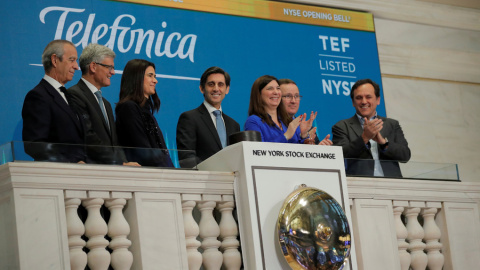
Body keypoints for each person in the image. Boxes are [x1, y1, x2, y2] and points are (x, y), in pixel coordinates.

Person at [68, 43, 139, 166]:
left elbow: (114, 143)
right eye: (109, 67)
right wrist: (119, 163)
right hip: (91, 171)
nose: (113, 72)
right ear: (93, 67)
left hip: (111, 171)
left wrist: (124, 163)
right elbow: (88, 136)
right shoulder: (74, 95)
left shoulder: (106, 104)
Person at [332, 78, 411, 177]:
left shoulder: (392, 124)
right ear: (353, 102)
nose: (364, 101)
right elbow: (340, 155)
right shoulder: (342, 126)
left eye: (368, 97)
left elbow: (405, 156)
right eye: (359, 98)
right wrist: (364, 138)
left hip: (392, 184)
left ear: (378, 100)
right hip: (359, 184)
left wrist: (383, 143)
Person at [22, 40, 85, 163]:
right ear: (55, 60)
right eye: (72, 60)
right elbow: (35, 145)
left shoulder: (70, 97)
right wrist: (71, 161)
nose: (77, 67)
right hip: (57, 176)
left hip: (81, 174)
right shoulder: (38, 96)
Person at [176, 66, 240, 167]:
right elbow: (187, 158)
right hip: (203, 180)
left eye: (221, 84)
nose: (216, 89)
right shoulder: (189, 118)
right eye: (211, 84)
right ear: (202, 88)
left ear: (227, 89)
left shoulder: (234, 125)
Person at [115, 59, 173, 167]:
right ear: (137, 78)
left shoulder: (146, 110)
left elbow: (161, 150)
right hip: (143, 176)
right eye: (150, 75)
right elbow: (143, 149)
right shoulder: (128, 108)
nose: (155, 81)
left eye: (154, 76)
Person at [244, 75, 315, 143]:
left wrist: (303, 136)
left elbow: (300, 153)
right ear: (259, 94)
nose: (276, 92)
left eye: (278, 88)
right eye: (270, 88)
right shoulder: (253, 122)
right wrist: (286, 136)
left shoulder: (290, 121)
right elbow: (256, 151)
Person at [278, 78, 333, 146]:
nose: (293, 101)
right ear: (277, 98)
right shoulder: (269, 124)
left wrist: (320, 148)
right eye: (288, 96)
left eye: (296, 96)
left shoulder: (308, 129)